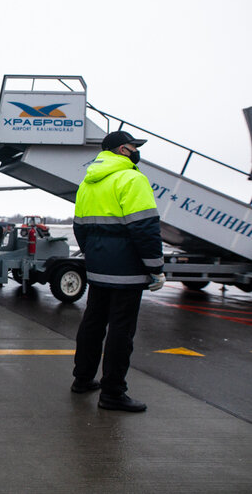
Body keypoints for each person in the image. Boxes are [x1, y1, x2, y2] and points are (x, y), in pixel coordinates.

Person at [71, 130, 165, 412]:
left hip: (99, 267)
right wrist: (155, 267)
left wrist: (95, 254)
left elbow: (80, 226)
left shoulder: (88, 181)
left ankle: (82, 379)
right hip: (127, 270)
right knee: (121, 331)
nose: (137, 151)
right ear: (123, 150)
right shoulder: (132, 179)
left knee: (93, 323)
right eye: (134, 147)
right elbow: (144, 227)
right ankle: (113, 392)